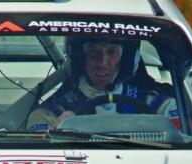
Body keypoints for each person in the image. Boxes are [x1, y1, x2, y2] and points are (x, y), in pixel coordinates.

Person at [27, 38, 180, 131]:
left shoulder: (157, 104)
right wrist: (57, 134)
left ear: (125, 58)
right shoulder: (49, 114)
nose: (103, 63)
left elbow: (187, 140)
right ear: (81, 57)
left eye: (112, 52)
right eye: (94, 53)